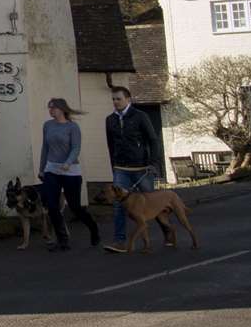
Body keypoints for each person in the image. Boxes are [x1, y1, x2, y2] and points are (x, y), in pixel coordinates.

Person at [103, 85, 163, 254]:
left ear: (128, 99)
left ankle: (167, 232)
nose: (115, 102)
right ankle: (120, 241)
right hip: (121, 168)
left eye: (118, 99)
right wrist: (113, 164)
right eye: (113, 99)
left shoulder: (140, 116)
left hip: (141, 167)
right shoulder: (110, 120)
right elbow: (110, 144)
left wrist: (153, 162)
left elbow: (153, 139)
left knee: (152, 203)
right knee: (118, 205)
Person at [39, 98, 100, 251]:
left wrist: (68, 162)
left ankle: (93, 229)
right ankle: (62, 240)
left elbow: (76, 148)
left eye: (53, 108)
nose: (50, 111)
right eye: (49, 108)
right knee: (52, 206)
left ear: (61, 109)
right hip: (51, 170)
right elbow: (45, 148)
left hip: (70, 171)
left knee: (75, 207)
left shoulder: (73, 127)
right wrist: (42, 169)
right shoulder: (47, 126)